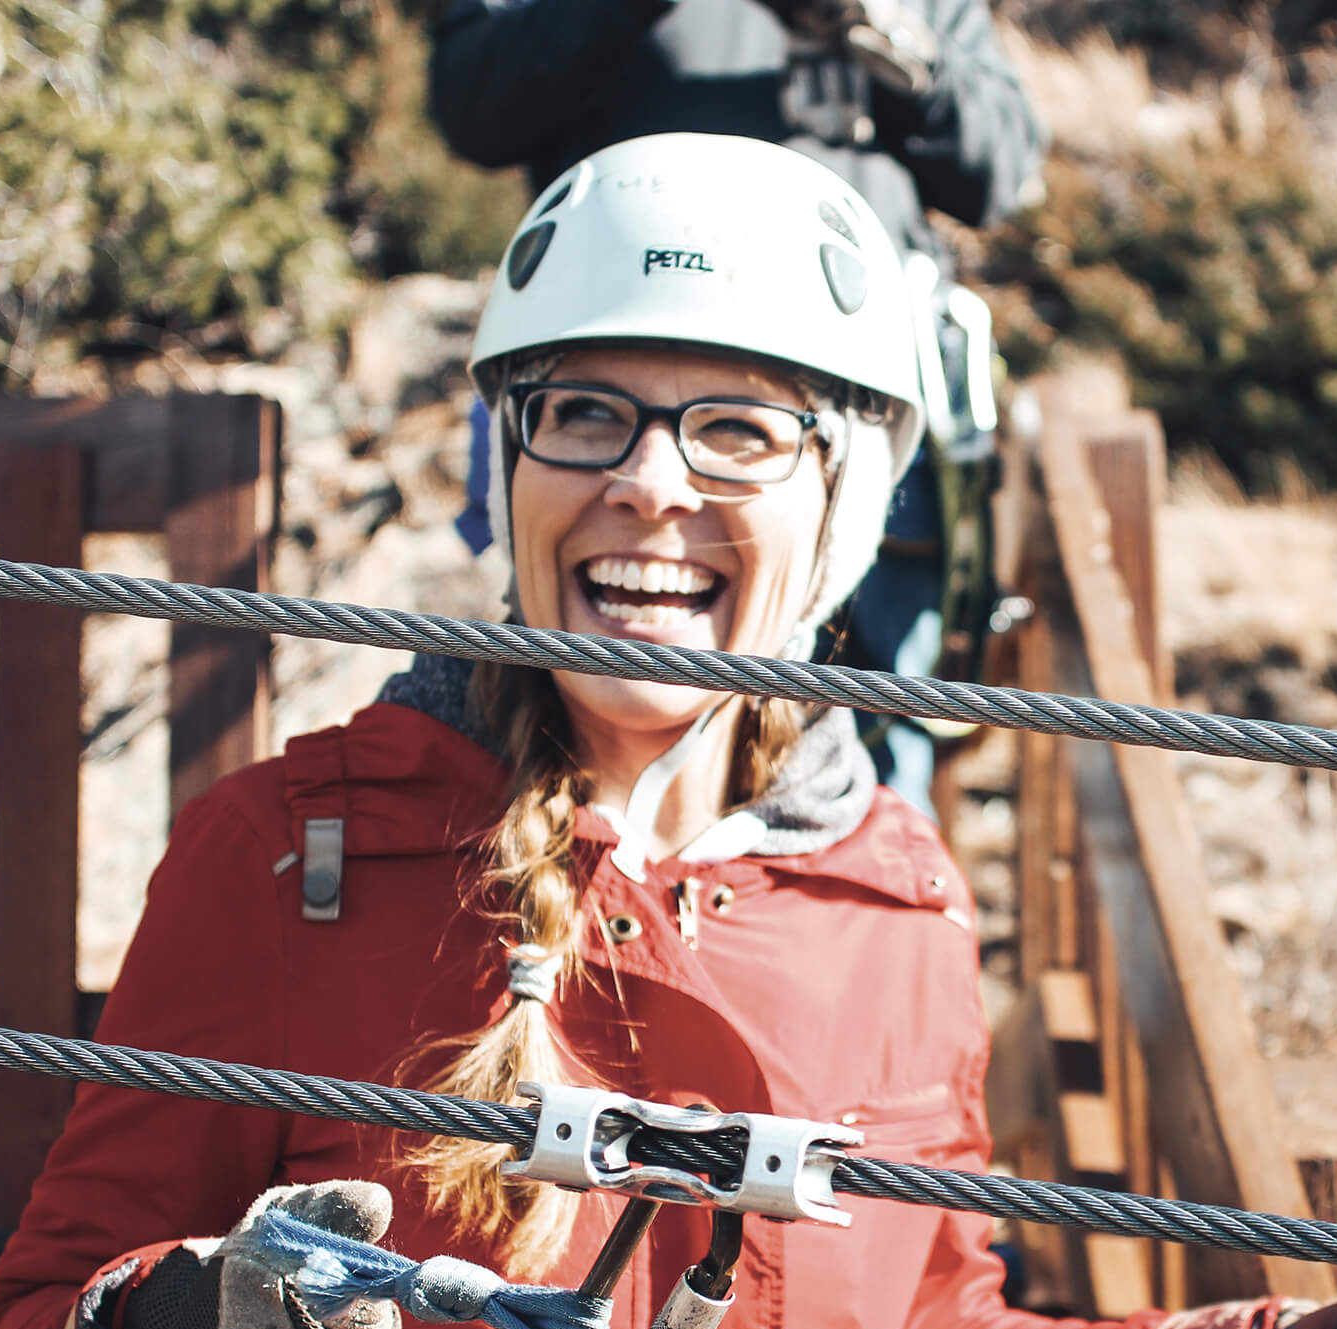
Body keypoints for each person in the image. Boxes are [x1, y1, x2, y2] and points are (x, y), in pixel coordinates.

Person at [0, 137, 1337, 1329]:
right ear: (508, 463)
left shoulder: (897, 893)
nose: (651, 483)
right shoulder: (287, 854)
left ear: (842, 510)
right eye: (584, 412)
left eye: (739, 429)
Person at [428, 0, 1045, 819]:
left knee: (876, 745)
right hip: (605, 407)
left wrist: (884, 34)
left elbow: (998, 168)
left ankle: (865, 925)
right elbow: (475, 105)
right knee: (587, 723)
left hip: (854, 427)